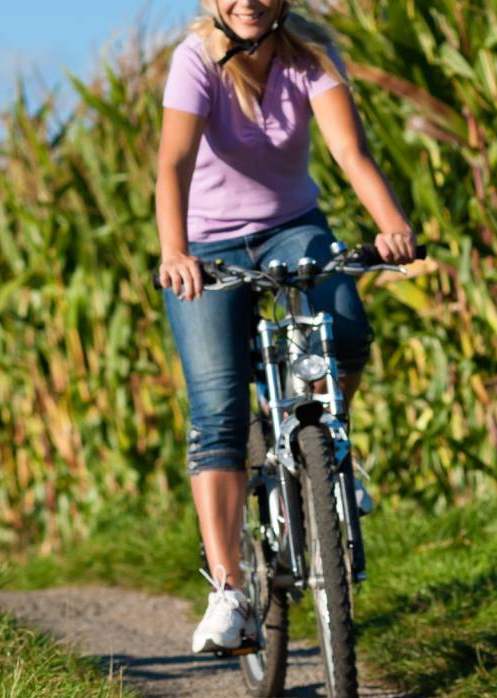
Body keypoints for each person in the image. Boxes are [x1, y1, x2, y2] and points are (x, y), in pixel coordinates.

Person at [154, 0, 418, 654]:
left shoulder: (310, 58)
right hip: (209, 249)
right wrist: (174, 250)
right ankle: (229, 595)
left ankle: (328, 447)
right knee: (217, 405)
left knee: (346, 325)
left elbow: (350, 154)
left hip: (291, 230)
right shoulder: (196, 62)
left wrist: (391, 228)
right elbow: (173, 165)